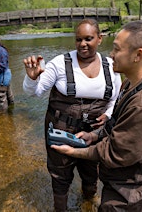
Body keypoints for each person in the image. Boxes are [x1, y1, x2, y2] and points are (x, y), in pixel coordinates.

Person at [52, 20, 142, 211]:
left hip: (132, 193)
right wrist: (94, 135)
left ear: (137, 55)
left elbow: (114, 153)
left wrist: (74, 152)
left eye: (116, 49)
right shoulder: (130, 84)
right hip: (120, 180)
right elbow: (115, 123)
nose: (111, 55)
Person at [23, 19, 122, 211]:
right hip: (60, 129)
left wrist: (108, 115)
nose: (82, 44)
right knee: (60, 173)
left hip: (93, 132)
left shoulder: (111, 66)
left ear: (100, 39)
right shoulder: (60, 63)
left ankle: (89, 200)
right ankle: (60, 207)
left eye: (88, 39)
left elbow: (115, 99)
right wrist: (31, 78)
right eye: (78, 39)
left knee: (91, 169)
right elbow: (33, 92)